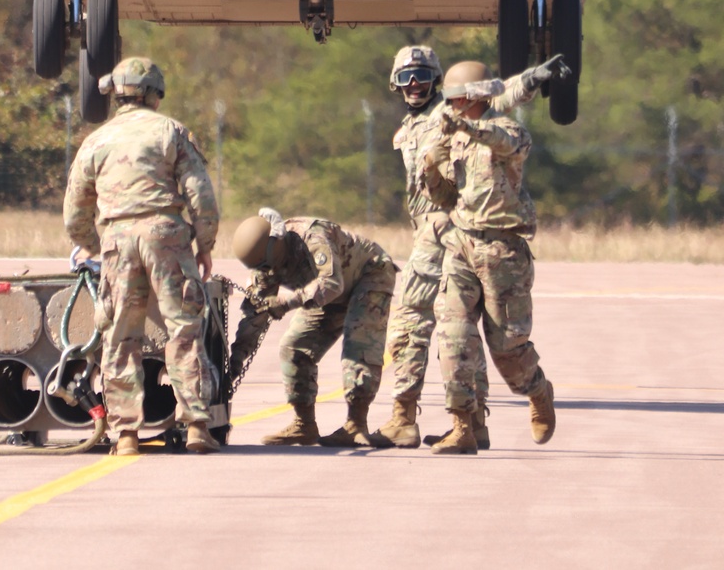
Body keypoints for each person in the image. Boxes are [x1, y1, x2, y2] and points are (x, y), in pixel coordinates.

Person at [376, 45, 557, 449]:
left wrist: (528, 82)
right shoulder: (420, 127)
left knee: (433, 328)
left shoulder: (459, 118)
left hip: (454, 232)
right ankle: (468, 425)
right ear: (394, 83)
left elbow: (495, 100)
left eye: (422, 76)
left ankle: (407, 416)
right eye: (406, 77)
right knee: (456, 333)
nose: (414, 85)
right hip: (453, 234)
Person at [63, 55, 221, 456]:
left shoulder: (96, 140)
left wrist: (98, 246)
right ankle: (198, 426)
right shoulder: (171, 131)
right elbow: (200, 195)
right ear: (154, 93)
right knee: (183, 328)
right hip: (166, 235)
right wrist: (204, 244)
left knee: (120, 336)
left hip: (117, 238)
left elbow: (74, 212)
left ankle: (127, 435)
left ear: (116, 95)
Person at [422, 59, 560, 455]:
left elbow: (501, 141)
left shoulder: (508, 131)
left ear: (472, 98)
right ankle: (463, 425)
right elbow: (449, 196)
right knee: (453, 335)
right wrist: (431, 171)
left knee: (507, 348)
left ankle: (537, 391)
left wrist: (465, 128)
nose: (450, 107)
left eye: (455, 99)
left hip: (503, 251)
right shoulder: (456, 138)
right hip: (462, 243)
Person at [228, 209, 397, 447]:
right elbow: (255, 317)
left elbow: (331, 283)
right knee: (293, 347)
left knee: (358, 346)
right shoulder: (265, 265)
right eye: (260, 268)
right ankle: (304, 424)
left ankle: (356, 424)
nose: (266, 271)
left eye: (267, 265)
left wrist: (286, 303)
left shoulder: (312, 237)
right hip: (326, 293)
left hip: (369, 276)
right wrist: (233, 365)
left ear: (276, 246)